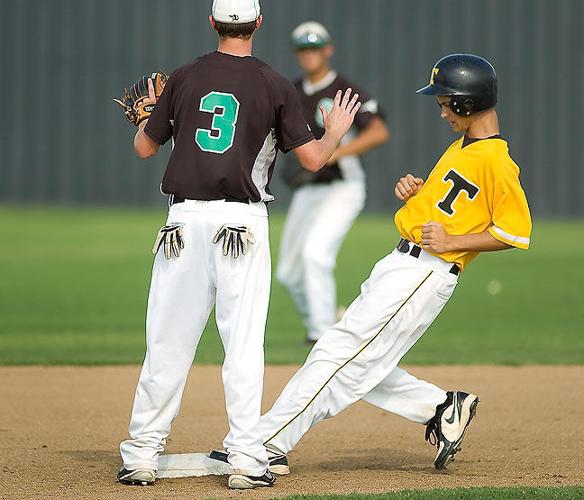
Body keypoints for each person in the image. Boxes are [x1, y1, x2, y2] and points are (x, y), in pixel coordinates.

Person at [210, 53, 532, 475]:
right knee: (360, 360)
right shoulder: (463, 147)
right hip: (402, 264)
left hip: (426, 272)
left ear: (467, 103)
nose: (441, 110)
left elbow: (514, 232)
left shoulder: (496, 159)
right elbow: (454, 205)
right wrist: (416, 193)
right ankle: (442, 407)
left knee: (337, 353)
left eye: (444, 102)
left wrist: (456, 240)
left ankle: (265, 441)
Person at [117, 0, 361, 490]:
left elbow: (145, 148)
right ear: (258, 24)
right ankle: (247, 460)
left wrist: (147, 120)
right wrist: (333, 132)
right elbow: (313, 160)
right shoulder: (275, 84)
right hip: (240, 226)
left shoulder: (184, 76)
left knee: (167, 344)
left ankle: (142, 453)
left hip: (182, 224)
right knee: (243, 347)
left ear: (212, 23)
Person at [277, 21, 389, 344]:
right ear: (297, 54)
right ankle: (326, 317)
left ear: (328, 50)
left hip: (344, 187)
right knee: (287, 272)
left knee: (316, 256)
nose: (309, 53)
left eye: (315, 47)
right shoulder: (293, 91)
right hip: (308, 189)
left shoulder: (343, 90)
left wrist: (335, 152)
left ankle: (322, 337)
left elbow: (379, 131)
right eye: (303, 48)